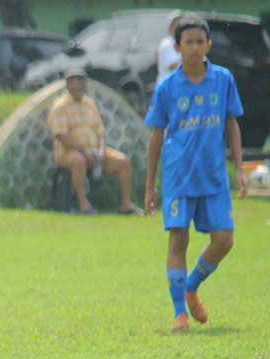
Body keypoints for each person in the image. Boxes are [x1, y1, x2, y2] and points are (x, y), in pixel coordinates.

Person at [144, 15, 246, 332]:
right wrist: (149, 185)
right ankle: (180, 314)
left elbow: (231, 125)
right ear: (177, 47)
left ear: (209, 45)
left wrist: (240, 170)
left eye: (200, 42)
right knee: (179, 240)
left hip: (214, 176)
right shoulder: (167, 88)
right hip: (178, 176)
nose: (195, 48)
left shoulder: (223, 79)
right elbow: (156, 137)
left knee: (225, 239)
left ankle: (190, 286)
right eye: (188, 42)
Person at [47, 68, 143, 216]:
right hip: (70, 153)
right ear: (67, 85)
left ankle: (126, 204)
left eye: (80, 80)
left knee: (123, 161)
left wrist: (101, 150)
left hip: (94, 153)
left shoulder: (89, 103)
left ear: (86, 83)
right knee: (78, 161)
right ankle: (84, 205)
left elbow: (100, 132)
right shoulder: (60, 106)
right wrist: (82, 150)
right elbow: (61, 135)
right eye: (73, 81)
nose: (77, 84)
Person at [155, 10, 183, 88]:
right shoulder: (166, 44)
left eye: (180, 23)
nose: (177, 26)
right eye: (175, 24)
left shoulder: (185, 43)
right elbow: (175, 67)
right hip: (166, 89)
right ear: (170, 27)